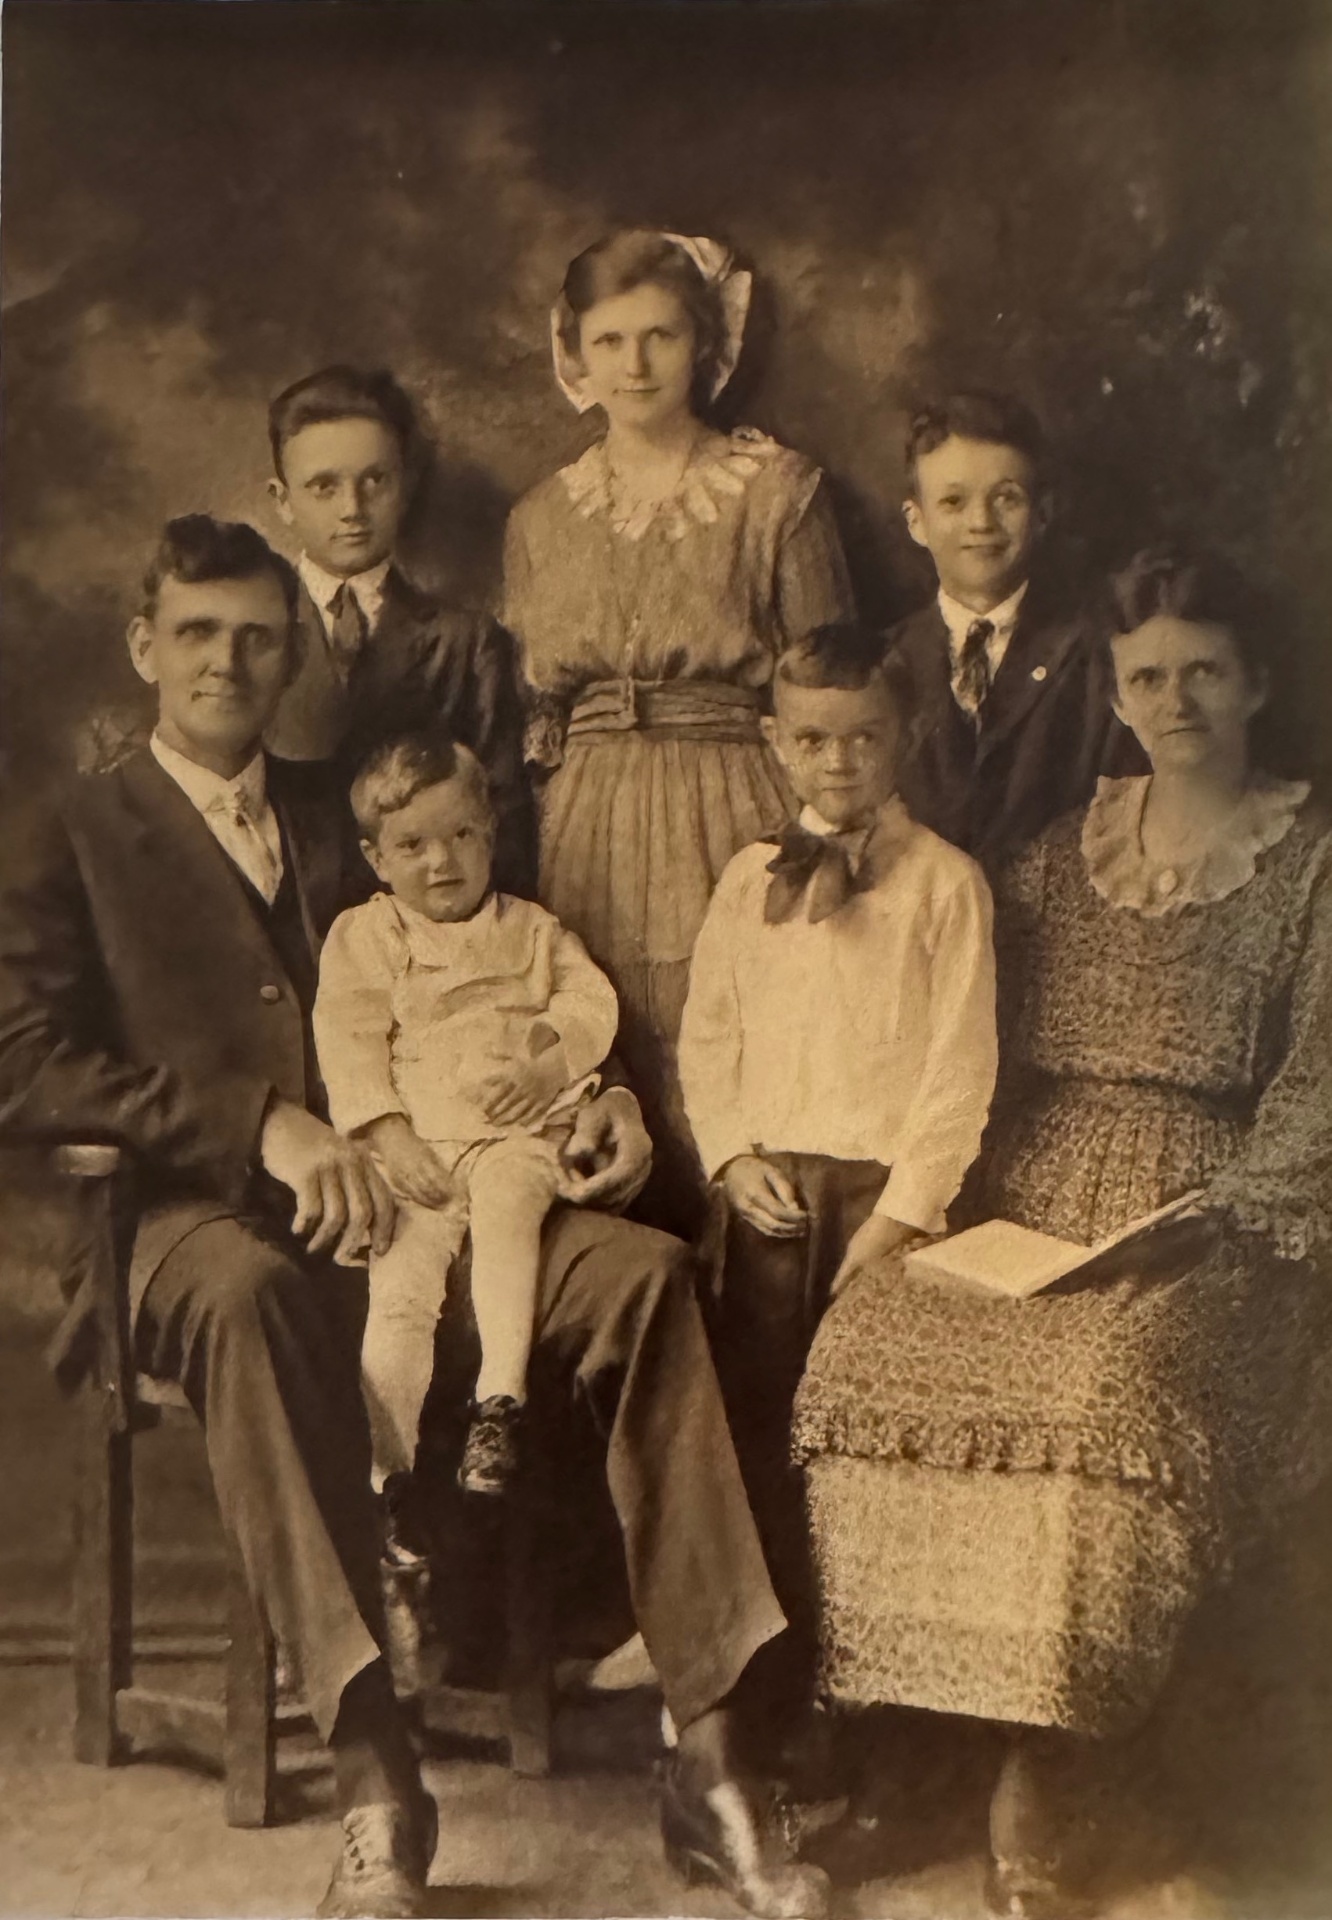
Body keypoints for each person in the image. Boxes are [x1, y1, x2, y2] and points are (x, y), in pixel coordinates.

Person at [0, 513, 830, 1920]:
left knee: (638, 1275)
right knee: (259, 1304)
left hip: (433, 1201)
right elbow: (20, 1054)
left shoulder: (360, 811)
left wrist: (606, 1096)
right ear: (145, 647)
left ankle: (715, 1755)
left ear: (290, 652)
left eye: (257, 635)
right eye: (196, 633)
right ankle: (377, 1776)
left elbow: (507, 977)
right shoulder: (72, 830)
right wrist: (251, 1120)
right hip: (197, 1225)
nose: (227, 661)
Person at [794, 546, 1332, 1917]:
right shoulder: (1055, 854)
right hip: (1026, 1195)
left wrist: (1221, 1222)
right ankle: (913, 1748)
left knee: (1105, 1393)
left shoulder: (1312, 865)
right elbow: (969, 1045)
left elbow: (1317, 1094)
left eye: (1204, 670)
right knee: (867, 1345)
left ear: (1256, 680)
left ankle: (1061, 1772)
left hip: (1214, 1215)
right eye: (1146, 676)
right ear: (1113, 688)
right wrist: (942, 1209)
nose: (1176, 699)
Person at [678, 622, 996, 1742]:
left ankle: (862, 1702)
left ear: (903, 735)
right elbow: (707, 1039)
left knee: (863, 1450)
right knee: (758, 1436)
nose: (841, 761)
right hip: (772, 1209)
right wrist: (729, 1156)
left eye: (864, 736)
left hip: (879, 1211)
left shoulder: (946, 886)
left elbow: (961, 1068)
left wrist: (905, 1216)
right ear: (775, 742)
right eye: (813, 739)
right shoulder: (743, 881)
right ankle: (756, 1685)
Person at [504, 229, 855, 1232]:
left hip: (737, 802)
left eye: (660, 335)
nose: (636, 363)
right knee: (606, 1051)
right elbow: (536, 722)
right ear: (575, 353)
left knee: (743, 1053)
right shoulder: (540, 519)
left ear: (707, 344)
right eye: (609, 341)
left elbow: (827, 690)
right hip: (591, 819)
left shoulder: (782, 492)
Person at [313, 731, 618, 1504]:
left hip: (513, 1135)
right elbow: (347, 1041)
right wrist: (386, 1132)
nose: (441, 862)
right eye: (412, 845)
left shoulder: (533, 930)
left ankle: (499, 1403)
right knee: (401, 1292)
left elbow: (590, 1005)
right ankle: (392, 1475)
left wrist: (548, 1063)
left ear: (492, 835)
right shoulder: (367, 935)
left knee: (512, 1213)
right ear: (377, 858)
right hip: (418, 1145)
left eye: (461, 837)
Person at [265, 364, 536, 894]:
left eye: (374, 481)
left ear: (405, 485)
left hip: (426, 933)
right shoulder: (252, 636)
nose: (353, 510)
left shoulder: (465, 642)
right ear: (282, 501)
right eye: (324, 486)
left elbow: (501, 818)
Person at [892, 388, 1142, 870]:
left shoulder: (1096, 656)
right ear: (916, 521)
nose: (981, 522)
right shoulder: (886, 664)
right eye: (953, 501)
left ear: (1043, 513)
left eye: (1006, 498)